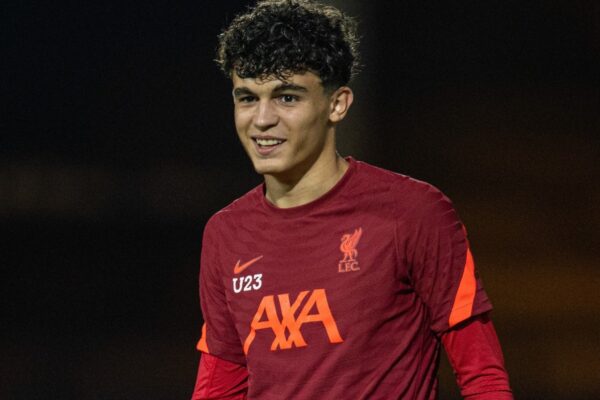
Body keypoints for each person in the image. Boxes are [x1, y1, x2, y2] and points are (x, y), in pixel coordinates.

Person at [191, 1, 512, 399]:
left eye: (287, 97)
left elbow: (483, 378)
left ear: (337, 103)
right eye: (247, 98)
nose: (261, 119)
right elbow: (220, 385)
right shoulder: (225, 233)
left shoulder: (414, 212)